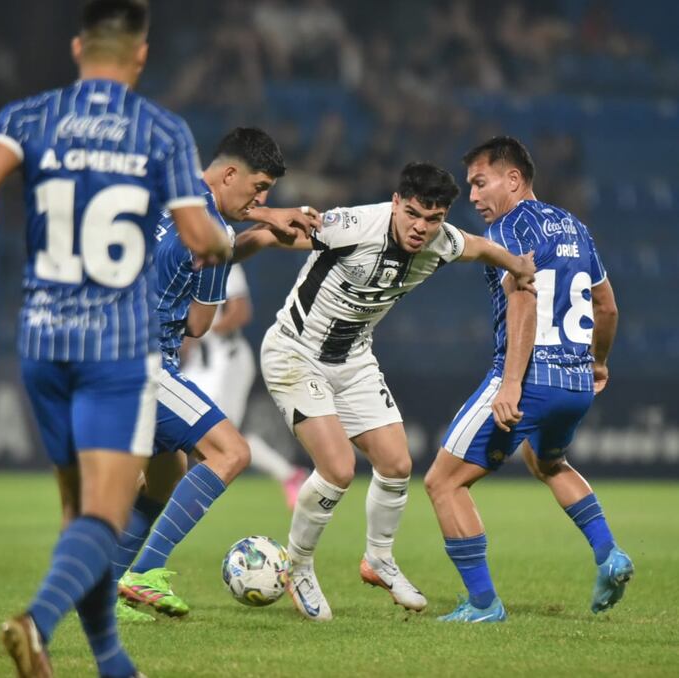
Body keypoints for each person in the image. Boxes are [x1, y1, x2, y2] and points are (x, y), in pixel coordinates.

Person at [0, 1, 232, 675]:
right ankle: (36, 621)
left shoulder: (26, 117)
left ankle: (111, 660)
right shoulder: (161, 131)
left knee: (78, 512)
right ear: (141, 56)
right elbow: (199, 238)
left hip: (42, 339)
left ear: (78, 48)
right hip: (116, 349)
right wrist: (229, 239)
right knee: (105, 515)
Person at [233, 162, 536, 622]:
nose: (421, 228)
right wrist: (229, 248)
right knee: (337, 468)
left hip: (353, 360)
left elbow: (476, 246)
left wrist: (517, 264)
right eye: (412, 214)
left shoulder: (441, 240)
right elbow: (283, 235)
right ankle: (297, 566)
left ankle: (378, 559)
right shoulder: (352, 226)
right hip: (295, 352)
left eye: (433, 219)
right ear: (396, 202)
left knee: (397, 463)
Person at [424, 136, 633, 623]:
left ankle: (482, 604)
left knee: (442, 484)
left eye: (480, 183)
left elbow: (523, 296)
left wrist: (512, 384)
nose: (472, 197)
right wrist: (599, 362)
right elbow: (607, 305)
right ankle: (609, 554)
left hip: (528, 377)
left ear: (513, 180)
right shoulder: (576, 227)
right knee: (548, 461)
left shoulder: (508, 228)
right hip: (576, 383)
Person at [113, 127, 319, 619]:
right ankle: (145, 574)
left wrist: (262, 226)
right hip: (143, 361)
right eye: (258, 187)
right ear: (230, 174)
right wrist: (249, 235)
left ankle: (105, 592)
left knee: (166, 476)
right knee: (231, 452)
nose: (261, 198)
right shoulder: (213, 233)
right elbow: (200, 325)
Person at [180, 263, 309, 510]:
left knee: (221, 434)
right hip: (199, 365)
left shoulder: (220, 257)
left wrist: (204, 332)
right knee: (214, 433)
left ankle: (288, 475)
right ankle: (289, 474)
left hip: (228, 358)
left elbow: (240, 312)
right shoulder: (172, 256)